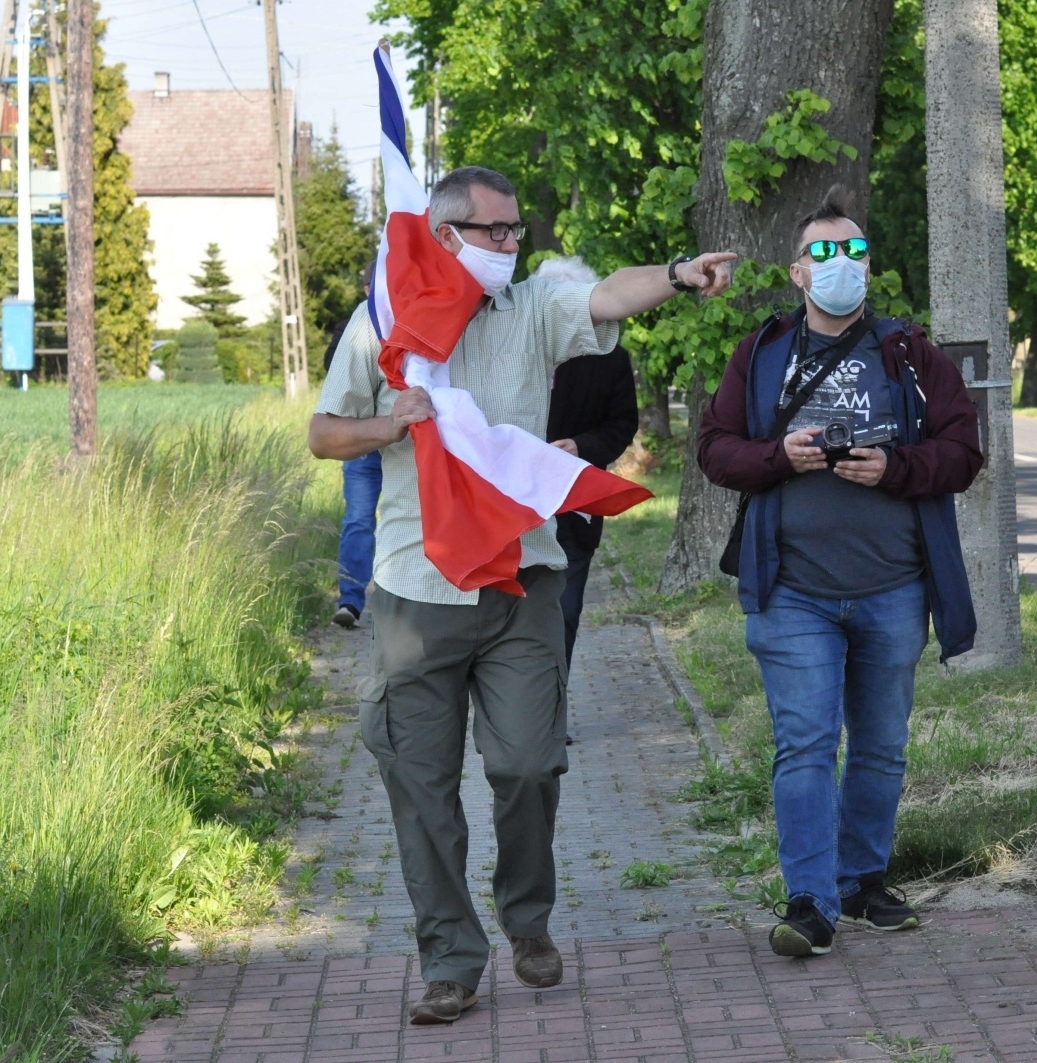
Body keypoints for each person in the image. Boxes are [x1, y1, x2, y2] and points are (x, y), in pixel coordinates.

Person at [307, 165, 734, 1025]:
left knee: (528, 762)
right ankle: (451, 960)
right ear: (447, 233)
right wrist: (394, 422)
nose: (511, 244)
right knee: (421, 786)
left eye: (515, 232)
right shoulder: (382, 321)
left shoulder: (533, 306)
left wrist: (681, 273)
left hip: (524, 577)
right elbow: (324, 432)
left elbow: (608, 297)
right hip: (414, 589)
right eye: (495, 231)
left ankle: (527, 917)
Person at [698, 185, 982, 959]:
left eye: (853, 249)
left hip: (894, 588)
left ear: (868, 264)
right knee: (806, 744)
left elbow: (963, 453)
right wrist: (774, 457)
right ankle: (810, 902)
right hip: (792, 591)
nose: (840, 263)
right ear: (797, 272)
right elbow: (715, 448)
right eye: (823, 251)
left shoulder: (909, 354)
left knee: (883, 744)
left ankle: (862, 881)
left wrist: (894, 466)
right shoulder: (760, 355)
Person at [538, 256, 641, 666]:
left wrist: (581, 446)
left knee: (564, 613)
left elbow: (621, 424)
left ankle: (550, 715)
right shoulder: (516, 348)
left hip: (573, 503)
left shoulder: (609, 357)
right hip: (511, 503)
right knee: (514, 619)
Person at [327, 268, 381, 630]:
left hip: (408, 446)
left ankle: (407, 600)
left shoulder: (421, 322)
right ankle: (350, 600)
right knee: (359, 520)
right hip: (363, 446)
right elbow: (332, 369)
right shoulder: (350, 328)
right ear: (365, 289)